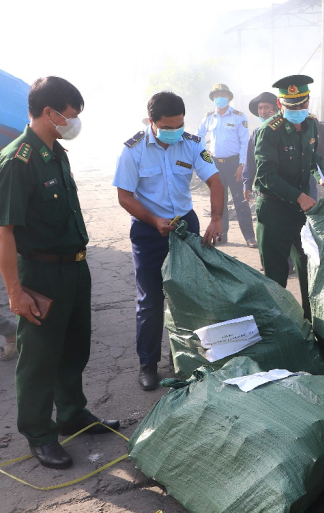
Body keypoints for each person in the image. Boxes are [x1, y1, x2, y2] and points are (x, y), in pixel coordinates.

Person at [0, 76, 119, 470]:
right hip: (42, 275)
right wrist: (15, 291)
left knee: (74, 347)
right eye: (70, 115)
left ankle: (71, 415)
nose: (73, 122)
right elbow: (2, 232)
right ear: (49, 113)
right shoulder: (17, 160)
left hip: (74, 269)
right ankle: (39, 434)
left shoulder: (56, 153)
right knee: (39, 359)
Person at [114, 91, 224, 390]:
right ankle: (148, 364)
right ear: (152, 122)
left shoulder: (192, 143)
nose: (175, 131)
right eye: (168, 126)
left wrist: (216, 218)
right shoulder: (133, 150)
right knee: (151, 301)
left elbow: (215, 181)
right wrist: (153, 220)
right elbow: (125, 195)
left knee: (193, 295)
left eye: (179, 124)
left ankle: (194, 357)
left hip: (185, 227)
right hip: (149, 231)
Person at [254, 75, 324, 319]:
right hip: (274, 211)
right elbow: (266, 176)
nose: (297, 110)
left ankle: (311, 325)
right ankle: (278, 331)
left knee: (309, 267)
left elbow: (313, 159)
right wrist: (299, 197)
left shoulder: (311, 124)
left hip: (300, 211)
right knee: (275, 277)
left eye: (301, 105)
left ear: (308, 102)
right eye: (291, 106)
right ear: (279, 103)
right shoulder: (269, 131)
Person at [197, 84, 255, 247]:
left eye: (223, 95)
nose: (220, 98)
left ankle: (249, 237)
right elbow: (199, 135)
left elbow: (245, 142)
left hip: (234, 163)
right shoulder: (208, 117)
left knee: (240, 200)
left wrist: (242, 164)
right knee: (219, 201)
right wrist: (204, 153)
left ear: (229, 97)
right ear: (213, 99)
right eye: (216, 95)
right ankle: (221, 235)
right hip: (216, 164)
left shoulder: (238, 116)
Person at [242, 91, 279, 205]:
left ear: (276, 109)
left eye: (267, 107)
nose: (263, 111)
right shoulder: (256, 133)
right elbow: (250, 160)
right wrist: (247, 183)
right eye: (260, 108)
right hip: (264, 185)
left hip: (284, 183)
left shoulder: (285, 129)